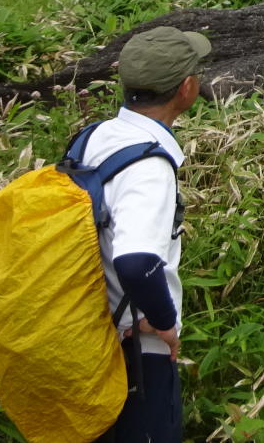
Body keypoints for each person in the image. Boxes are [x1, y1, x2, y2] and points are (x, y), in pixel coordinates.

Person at [88, 25, 209, 443]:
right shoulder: (149, 168)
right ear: (186, 88)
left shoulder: (97, 137)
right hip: (133, 352)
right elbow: (136, 260)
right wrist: (162, 323)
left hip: (87, 335)